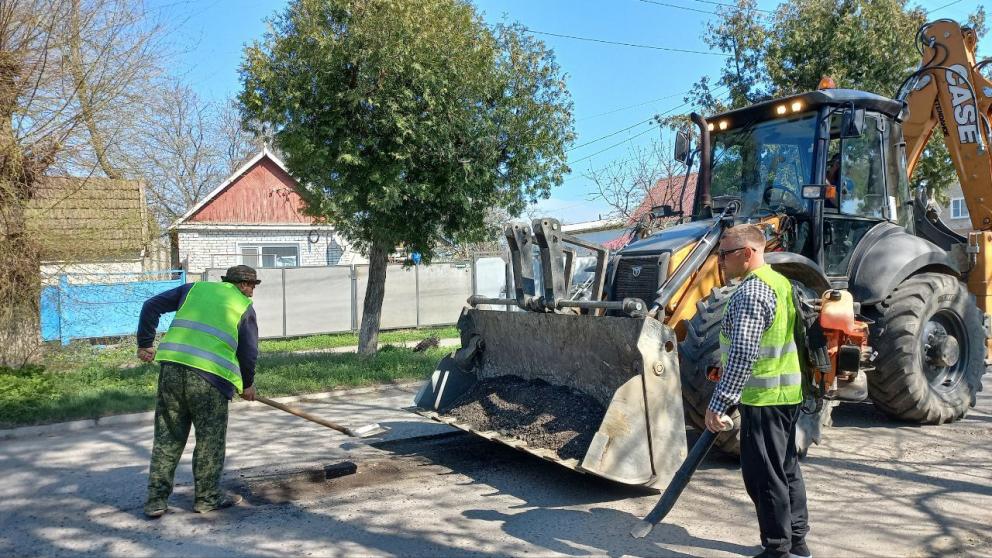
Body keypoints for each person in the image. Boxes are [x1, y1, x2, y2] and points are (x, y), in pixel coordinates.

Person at [706, 224, 811, 558]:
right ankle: (797, 540)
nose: (720, 260)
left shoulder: (751, 292)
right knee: (786, 467)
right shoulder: (780, 283)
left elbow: (743, 354)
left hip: (764, 399)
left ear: (748, 253)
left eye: (725, 254)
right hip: (787, 394)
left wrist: (719, 402)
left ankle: (777, 548)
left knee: (763, 475)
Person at [136, 265, 260, 518]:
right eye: (251, 286)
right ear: (243, 285)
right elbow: (248, 352)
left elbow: (150, 305)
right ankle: (206, 498)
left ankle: (155, 500)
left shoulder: (194, 289)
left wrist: (145, 343)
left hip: (171, 371)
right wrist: (247, 384)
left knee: (168, 436)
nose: (252, 292)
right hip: (209, 379)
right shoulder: (243, 307)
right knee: (209, 440)